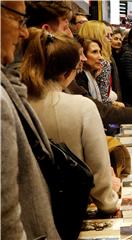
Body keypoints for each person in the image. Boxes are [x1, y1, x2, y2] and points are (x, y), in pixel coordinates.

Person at [21, 28, 120, 215]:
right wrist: (109, 202)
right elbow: (99, 172)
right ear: (67, 72)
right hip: (70, 209)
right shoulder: (82, 107)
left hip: (28, 211)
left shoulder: (18, 103)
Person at [1, 1, 60, 239]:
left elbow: (15, 81)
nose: (24, 32)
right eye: (19, 20)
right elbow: (5, 218)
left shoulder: (8, 87)